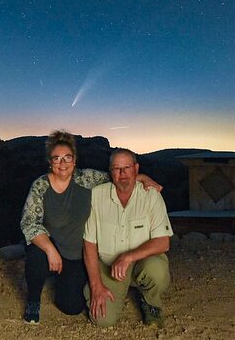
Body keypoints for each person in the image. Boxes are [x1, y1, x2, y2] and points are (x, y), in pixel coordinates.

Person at [19, 131, 162, 324]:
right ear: (50, 162)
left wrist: (142, 177)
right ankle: (33, 301)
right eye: (57, 158)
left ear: (74, 160)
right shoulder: (40, 186)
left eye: (67, 157)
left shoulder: (86, 179)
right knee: (36, 254)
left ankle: (60, 281)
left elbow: (117, 178)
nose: (63, 163)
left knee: (72, 307)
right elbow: (29, 222)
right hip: (49, 246)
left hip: (75, 254)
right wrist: (50, 249)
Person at [83, 148, 173, 328]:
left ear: (136, 168)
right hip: (109, 266)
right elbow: (89, 244)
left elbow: (163, 242)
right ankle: (114, 289)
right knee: (103, 320)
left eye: (127, 167)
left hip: (142, 262)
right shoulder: (96, 196)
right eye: (117, 168)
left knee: (156, 271)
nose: (122, 173)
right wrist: (96, 285)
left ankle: (151, 303)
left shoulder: (151, 195)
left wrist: (128, 257)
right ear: (110, 172)